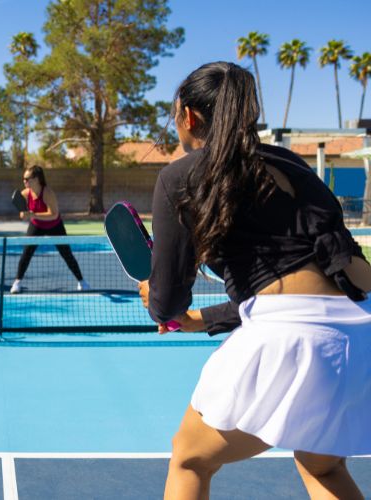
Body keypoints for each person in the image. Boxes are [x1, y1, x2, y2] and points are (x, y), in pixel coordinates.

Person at [138, 61, 371, 499]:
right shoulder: (298, 170)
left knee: (189, 459)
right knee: (322, 466)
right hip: (362, 331)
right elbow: (308, 286)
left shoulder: (180, 177)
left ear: (188, 116)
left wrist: (158, 299)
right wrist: (198, 319)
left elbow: (166, 301)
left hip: (291, 337)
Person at [10, 165, 89, 294]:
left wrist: (33, 214)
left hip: (54, 226)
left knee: (67, 254)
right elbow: (22, 212)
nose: (24, 181)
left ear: (36, 179)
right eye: (23, 179)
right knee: (26, 253)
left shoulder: (47, 193)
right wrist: (23, 214)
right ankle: (17, 283)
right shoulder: (25, 193)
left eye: (27, 179)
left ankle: (82, 282)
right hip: (36, 226)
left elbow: (54, 214)